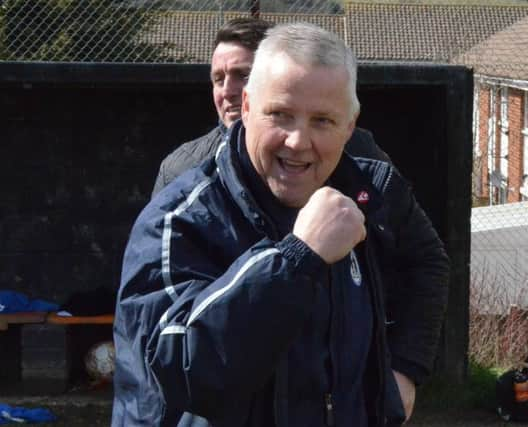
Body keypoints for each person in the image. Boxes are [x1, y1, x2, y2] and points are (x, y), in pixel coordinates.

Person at [113, 22, 449, 427]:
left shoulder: (369, 191)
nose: (297, 140)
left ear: (350, 123)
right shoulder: (179, 219)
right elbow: (182, 372)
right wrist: (296, 258)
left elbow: (428, 262)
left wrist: (405, 372)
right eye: (280, 115)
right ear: (249, 107)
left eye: (322, 120)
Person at [151, 17, 389, 198]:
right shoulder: (182, 169)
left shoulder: (358, 153)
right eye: (218, 79)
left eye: (242, 75)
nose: (227, 91)